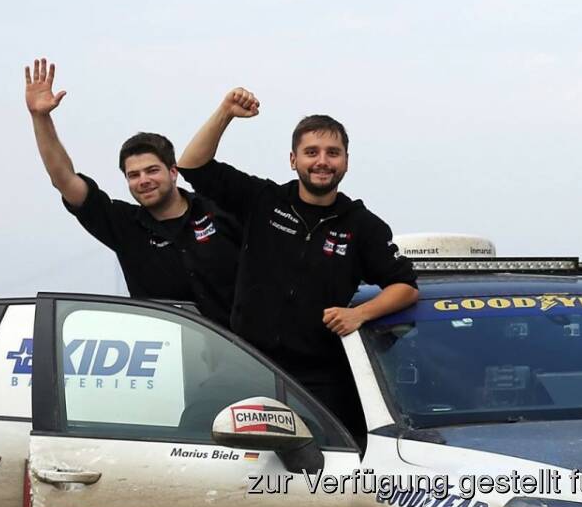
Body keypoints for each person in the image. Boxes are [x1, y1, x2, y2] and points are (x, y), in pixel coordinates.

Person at [177, 88, 418, 438]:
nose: (322, 161)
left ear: (346, 161)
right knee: (202, 444)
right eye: (311, 152)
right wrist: (225, 113)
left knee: (330, 469)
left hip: (320, 380)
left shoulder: (362, 225)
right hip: (248, 364)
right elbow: (192, 165)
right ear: (293, 160)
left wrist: (358, 314)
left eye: (332, 153)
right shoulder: (263, 200)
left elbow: (406, 287)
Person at [23, 59, 241, 326]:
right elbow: (64, 180)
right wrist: (40, 117)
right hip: (167, 359)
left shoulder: (220, 211)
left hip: (241, 356)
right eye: (133, 175)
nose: (144, 180)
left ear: (173, 172)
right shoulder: (124, 225)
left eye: (152, 170)